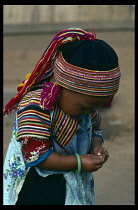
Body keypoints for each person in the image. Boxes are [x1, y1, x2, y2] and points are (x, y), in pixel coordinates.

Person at [3, 28, 121, 205]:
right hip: (35, 188)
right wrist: (79, 162)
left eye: (95, 107)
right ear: (60, 88)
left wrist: (95, 146)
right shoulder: (36, 107)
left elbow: (95, 126)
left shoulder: (86, 106)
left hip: (68, 182)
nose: (89, 112)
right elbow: (36, 155)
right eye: (84, 107)